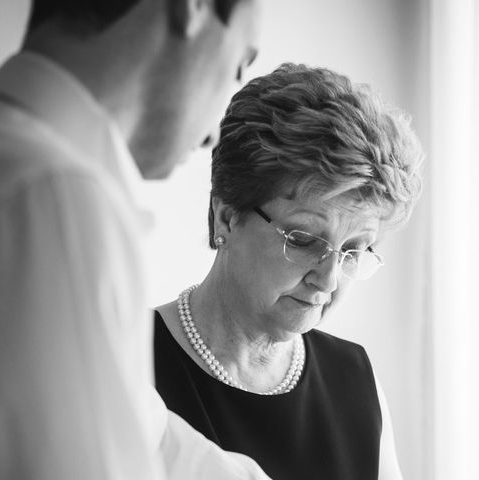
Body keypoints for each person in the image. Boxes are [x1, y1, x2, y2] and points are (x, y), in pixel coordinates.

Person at [0, 1, 270, 479]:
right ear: (192, 8)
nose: (213, 136)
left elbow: (151, 436)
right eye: (238, 65)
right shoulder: (47, 199)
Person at [154, 63, 424, 480]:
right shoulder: (126, 360)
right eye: (303, 239)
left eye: (353, 250)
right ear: (226, 216)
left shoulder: (354, 377)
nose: (329, 278)